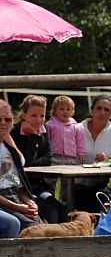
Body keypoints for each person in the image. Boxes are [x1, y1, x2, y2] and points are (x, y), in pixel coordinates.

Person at [10, 95, 67, 223]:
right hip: (21, 189)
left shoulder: (44, 129)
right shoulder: (14, 133)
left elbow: (48, 158)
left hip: (39, 186)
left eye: (42, 116)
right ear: (24, 115)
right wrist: (33, 137)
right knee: (51, 212)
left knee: (61, 210)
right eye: (34, 115)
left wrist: (31, 164)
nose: (39, 120)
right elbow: (23, 162)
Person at [75, 95, 111, 212]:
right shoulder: (77, 128)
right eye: (99, 108)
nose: (102, 113)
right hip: (74, 185)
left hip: (100, 186)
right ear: (92, 110)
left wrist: (110, 159)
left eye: (107, 110)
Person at [0, 99, 43, 235]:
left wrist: (29, 202)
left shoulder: (9, 149)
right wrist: (18, 207)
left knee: (44, 226)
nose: (3, 123)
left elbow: (17, 185)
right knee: (29, 229)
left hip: (15, 197)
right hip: (4, 202)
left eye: (7, 119)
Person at [45, 95, 86, 166]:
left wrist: (81, 152)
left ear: (72, 111)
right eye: (61, 109)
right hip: (55, 157)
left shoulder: (75, 125)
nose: (65, 112)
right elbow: (46, 141)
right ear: (55, 111)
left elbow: (80, 141)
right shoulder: (50, 124)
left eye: (68, 109)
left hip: (71, 159)